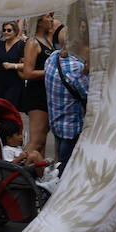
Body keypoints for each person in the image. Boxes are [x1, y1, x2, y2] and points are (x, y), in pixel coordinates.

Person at [45, 17, 90, 167]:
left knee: (60, 164)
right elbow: (90, 94)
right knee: (67, 167)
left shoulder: (52, 58)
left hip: (56, 123)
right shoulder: (76, 68)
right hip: (71, 127)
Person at [19, 13, 56, 157]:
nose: (52, 20)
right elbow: (28, 73)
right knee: (37, 140)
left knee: (43, 141)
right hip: (36, 95)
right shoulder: (33, 42)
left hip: (47, 94)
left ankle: (36, 173)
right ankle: (14, 170)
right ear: (40, 22)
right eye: (49, 17)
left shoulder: (48, 41)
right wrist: (50, 72)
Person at [0, 20, 26, 108]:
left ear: (15, 31)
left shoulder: (21, 45)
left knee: (9, 110)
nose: (6, 32)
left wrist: (13, 66)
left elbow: (27, 65)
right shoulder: (1, 44)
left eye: (9, 30)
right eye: (4, 30)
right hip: (0, 83)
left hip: (14, 84)